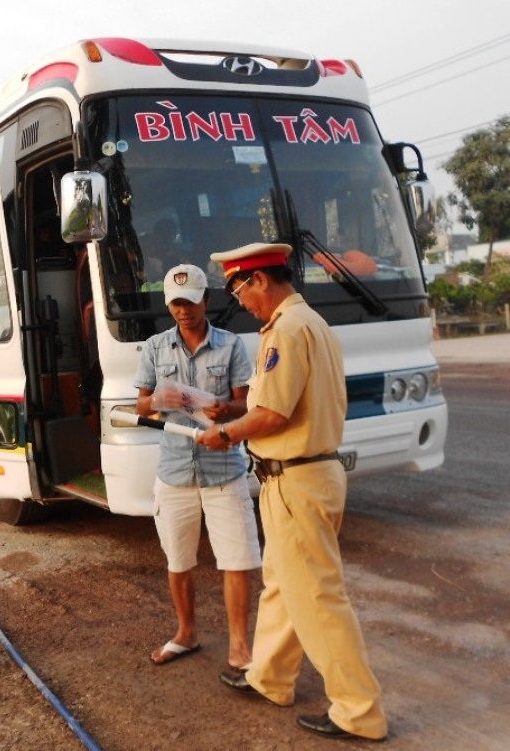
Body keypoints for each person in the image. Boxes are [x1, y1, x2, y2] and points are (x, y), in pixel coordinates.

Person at [197, 243, 388, 742]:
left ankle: (358, 710)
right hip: (304, 474)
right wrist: (234, 417)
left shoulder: (286, 329)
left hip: (295, 479)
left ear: (260, 280)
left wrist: (226, 433)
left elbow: (273, 415)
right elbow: (279, 405)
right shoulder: (312, 323)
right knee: (284, 585)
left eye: (240, 291)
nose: (242, 303)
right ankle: (271, 677)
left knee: (319, 599)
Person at [134, 264, 261, 670]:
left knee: (237, 558)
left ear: (206, 300)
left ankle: (240, 646)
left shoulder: (231, 346)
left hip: (223, 467)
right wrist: (162, 400)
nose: (183, 310)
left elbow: (246, 403)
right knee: (178, 559)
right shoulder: (155, 347)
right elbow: (141, 404)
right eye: (175, 303)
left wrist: (227, 408)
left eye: (190, 302)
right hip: (174, 469)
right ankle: (186, 633)